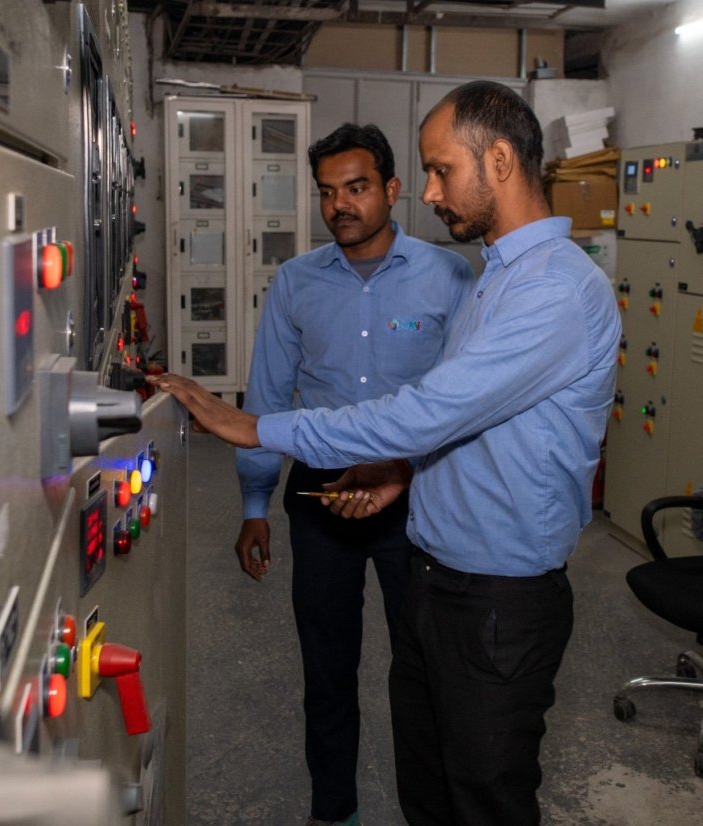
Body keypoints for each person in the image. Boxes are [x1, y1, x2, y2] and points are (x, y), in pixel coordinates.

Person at [151, 80, 621, 826]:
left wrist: (255, 428)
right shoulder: (496, 279)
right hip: (441, 575)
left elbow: (427, 411)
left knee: (486, 799)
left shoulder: (555, 291)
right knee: (431, 791)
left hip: (497, 597)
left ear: (498, 161)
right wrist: (400, 473)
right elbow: (461, 422)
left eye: (441, 171)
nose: (430, 193)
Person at [235, 123, 474, 826]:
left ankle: (427, 811)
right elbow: (267, 398)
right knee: (328, 672)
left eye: (357, 187)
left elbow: (465, 397)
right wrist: (255, 502)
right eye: (328, 192)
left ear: (392, 190)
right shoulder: (295, 283)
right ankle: (332, 811)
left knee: (424, 670)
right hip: (320, 495)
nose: (340, 204)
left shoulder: (449, 277)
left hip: (416, 495)